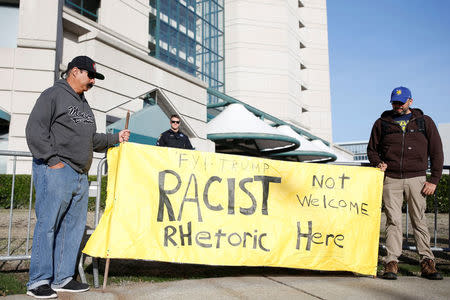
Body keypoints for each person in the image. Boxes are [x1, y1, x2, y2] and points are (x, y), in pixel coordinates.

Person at [25, 56, 130, 298]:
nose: (93, 80)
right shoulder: (52, 94)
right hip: (57, 170)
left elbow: (91, 140)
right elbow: (35, 130)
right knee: (48, 225)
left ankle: (62, 278)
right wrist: (53, 161)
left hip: (81, 174)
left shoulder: (84, 106)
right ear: (74, 71)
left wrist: (116, 138)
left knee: (72, 230)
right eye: (90, 75)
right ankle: (38, 281)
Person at [367, 86, 443, 280]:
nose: (397, 106)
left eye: (401, 103)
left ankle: (427, 262)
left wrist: (434, 180)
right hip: (391, 179)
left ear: (410, 101)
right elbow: (372, 150)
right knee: (393, 222)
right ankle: (391, 262)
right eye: (394, 102)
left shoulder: (425, 122)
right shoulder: (382, 123)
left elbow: (437, 153)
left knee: (419, 221)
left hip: (417, 179)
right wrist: (377, 163)